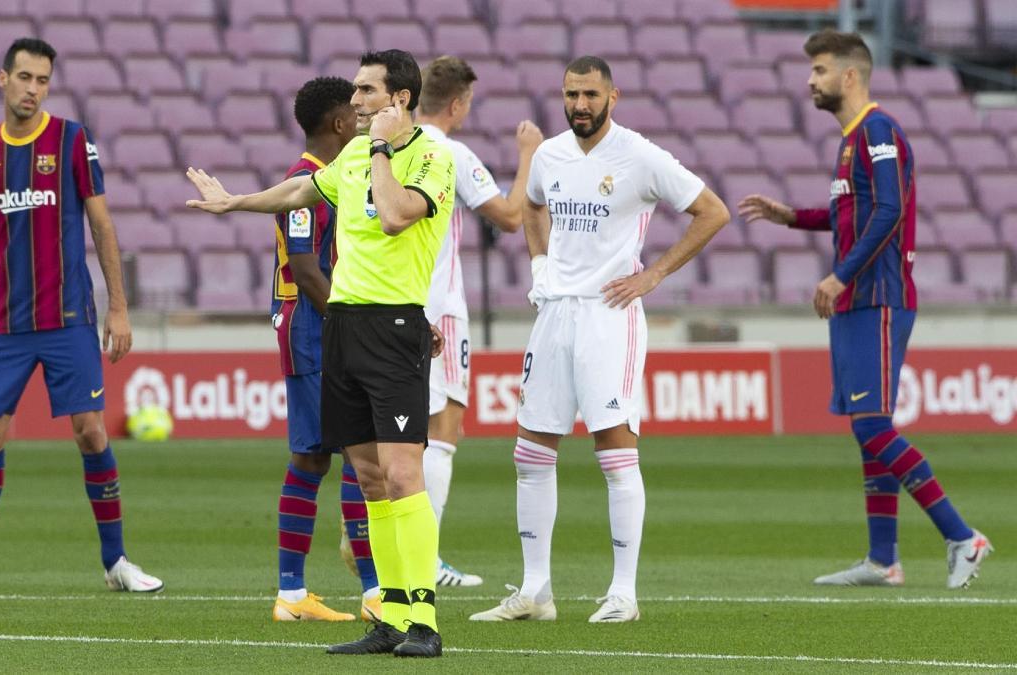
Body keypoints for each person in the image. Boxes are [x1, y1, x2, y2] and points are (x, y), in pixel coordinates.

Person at [186, 49, 454, 657]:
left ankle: (424, 621)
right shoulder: (356, 154)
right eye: (355, 92)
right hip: (343, 329)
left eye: (367, 91)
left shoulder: (433, 156)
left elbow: (392, 216)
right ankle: (388, 616)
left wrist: (383, 149)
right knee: (369, 476)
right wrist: (236, 202)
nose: (355, 102)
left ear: (400, 99)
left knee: (404, 472)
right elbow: (304, 190)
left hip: (392, 329)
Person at [470, 56, 730, 623]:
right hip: (555, 313)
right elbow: (532, 205)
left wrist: (653, 275)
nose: (579, 105)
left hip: (610, 316)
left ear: (614, 96)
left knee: (614, 451)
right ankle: (536, 591)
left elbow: (712, 212)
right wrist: (539, 264)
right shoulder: (550, 154)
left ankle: (624, 594)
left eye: (590, 94)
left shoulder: (639, 155)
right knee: (530, 450)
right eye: (571, 94)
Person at [0, 38, 162, 593]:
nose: (33, 89)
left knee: (90, 431)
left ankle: (117, 563)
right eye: (24, 77)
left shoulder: (72, 140)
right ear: (3, 79)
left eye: (43, 80)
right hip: (4, 324)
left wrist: (118, 307)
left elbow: (103, 225)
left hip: (69, 316)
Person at [737, 29, 991, 589]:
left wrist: (840, 274)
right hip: (857, 300)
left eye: (820, 71)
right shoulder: (852, 138)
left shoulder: (878, 130)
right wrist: (791, 217)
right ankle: (883, 560)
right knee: (865, 428)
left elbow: (891, 212)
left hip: (878, 296)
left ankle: (961, 536)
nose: (811, 81)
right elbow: (852, 212)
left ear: (849, 76)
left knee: (874, 426)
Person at [415, 55, 543, 588]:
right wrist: (529, 155)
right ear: (458, 103)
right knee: (442, 430)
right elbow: (511, 217)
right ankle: (424, 559)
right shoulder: (451, 151)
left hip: (394, 301)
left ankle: (385, 546)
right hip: (439, 306)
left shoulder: (394, 147)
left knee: (402, 434)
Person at [268, 76, 382, 623]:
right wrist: (351, 321)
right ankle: (371, 591)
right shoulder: (305, 183)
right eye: (353, 112)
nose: (361, 117)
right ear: (339, 123)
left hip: (319, 330)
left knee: (315, 458)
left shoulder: (328, 179)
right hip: (314, 331)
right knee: (354, 456)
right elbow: (307, 268)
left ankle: (295, 596)